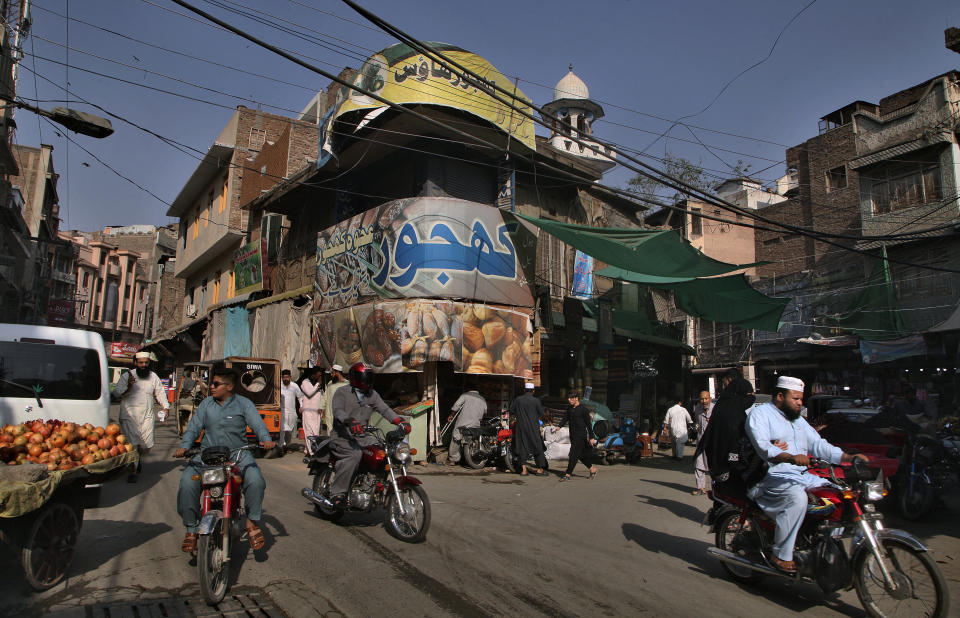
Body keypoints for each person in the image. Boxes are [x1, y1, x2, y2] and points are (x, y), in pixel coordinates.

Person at [746, 376, 869, 573]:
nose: (800, 403)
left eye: (801, 399)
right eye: (795, 398)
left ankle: (824, 550)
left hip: (803, 474)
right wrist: (790, 457)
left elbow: (819, 445)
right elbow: (764, 448)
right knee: (797, 499)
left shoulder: (798, 420)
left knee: (838, 496)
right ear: (780, 396)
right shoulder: (760, 415)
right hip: (773, 476)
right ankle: (780, 554)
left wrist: (847, 456)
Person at [174, 368, 275, 554]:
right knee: (187, 483)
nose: (211, 387)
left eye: (215, 384)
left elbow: (257, 424)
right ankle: (191, 529)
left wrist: (265, 438)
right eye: (212, 383)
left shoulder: (244, 404)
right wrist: (185, 446)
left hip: (238, 456)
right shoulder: (206, 404)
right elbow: (194, 427)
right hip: (206, 455)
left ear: (229, 386)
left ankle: (251, 523)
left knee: (256, 481)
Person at [329, 362, 411, 506]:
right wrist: (350, 421)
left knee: (384, 452)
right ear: (355, 377)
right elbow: (338, 411)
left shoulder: (372, 394)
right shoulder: (342, 392)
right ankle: (338, 492)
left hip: (363, 436)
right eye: (363, 377)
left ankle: (376, 484)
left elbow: (385, 410)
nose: (366, 381)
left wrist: (400, 421)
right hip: (342, 436)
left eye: (368, 377)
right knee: (354, 455)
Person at [694, 368, 757, 495]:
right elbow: (730, 438)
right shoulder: (729, 410)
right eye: (748, 395)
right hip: (727, 464)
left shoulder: (730, 407)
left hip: (725, 462)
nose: (751, 398)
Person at [113, 351, 169, 482]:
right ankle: (133, 470)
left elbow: (160, 392)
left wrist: (165, 407)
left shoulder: (153, 376)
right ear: (135, 363)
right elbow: (116, 393)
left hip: (147, 416)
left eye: (146, 362)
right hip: (129, 415)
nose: (143, 365)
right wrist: (129, 386)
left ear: (149, 363)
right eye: (141, 362)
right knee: (133, 444)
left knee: (146, 445)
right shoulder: (127, 376)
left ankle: (136, 460)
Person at [557, 390, 598, 481]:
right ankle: (592, 469)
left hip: (581, 435)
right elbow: (565, 418)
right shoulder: (569, 409)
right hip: (573, 435)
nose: (569, 400)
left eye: (571, 398)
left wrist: (591, 437)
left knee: (573, 454)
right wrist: (559, 426)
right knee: (580, 455)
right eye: (568, 398)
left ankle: (567, 474)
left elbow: (588, 424)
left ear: (576, 398)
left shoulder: (583, 410)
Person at [510, 382, 549, 476]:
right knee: (537, 446)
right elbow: (541, 413)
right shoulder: (536, 401)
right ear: (533, 391)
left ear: (524, 390)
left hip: (520, 427)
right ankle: (540, 469)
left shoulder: (518, 399)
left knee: (522, 447)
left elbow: (511, 410)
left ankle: (523, 470)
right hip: (533, 427)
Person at [447, 385, 488, 467]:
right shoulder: (482, 399)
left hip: (463, 422)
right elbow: (485, 411)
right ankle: (468, 457)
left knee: (456, 437)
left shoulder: (465, 395)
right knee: (472, 439)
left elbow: (456, 406)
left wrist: (451, 415)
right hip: (476, 423)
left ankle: (453, 460)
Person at [692, 390, 713, 495]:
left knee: (714, 467)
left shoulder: (716, 409)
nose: (704, 401)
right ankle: (701, 488)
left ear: (710, 399)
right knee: (699, 465)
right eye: (702, 399)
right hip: (701, 442)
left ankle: (717, 489)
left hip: (713, 443)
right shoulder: (698, 409)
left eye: (706, 398)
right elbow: (697, 423)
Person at [300, 367, 324, 454]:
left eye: (320, 376)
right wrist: (318, 384)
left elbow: (322, 396)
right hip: (308, 411)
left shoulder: (319, 385)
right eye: (318, 375)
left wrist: (322, 408)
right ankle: (311, 452)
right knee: (309, 432)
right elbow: (309, 393)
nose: (319, 377)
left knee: (316, 432)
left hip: (317, 412)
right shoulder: (305, 382)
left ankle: (311, 449)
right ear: (313, 375)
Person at [279, 369, 304, 453]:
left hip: (292, 412)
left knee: (289, 431)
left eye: (287, 377)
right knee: (283, 429)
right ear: (282, 378)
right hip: (282, 411)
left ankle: (287, 446)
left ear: (290, 377)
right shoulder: (279, 386)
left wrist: (301, 406)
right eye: (284, 377)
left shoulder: (294, 386)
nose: (285, 379)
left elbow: (300, 397)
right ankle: (281, 446)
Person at [321, 364, 348, 439]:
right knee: (330, 433)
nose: (331, 375)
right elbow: (325, 396)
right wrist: (321, 407)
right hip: (330, 413)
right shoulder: (330, 383)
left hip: (341, 413)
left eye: (332, 373)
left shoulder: (347, 384)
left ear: (337, 373)